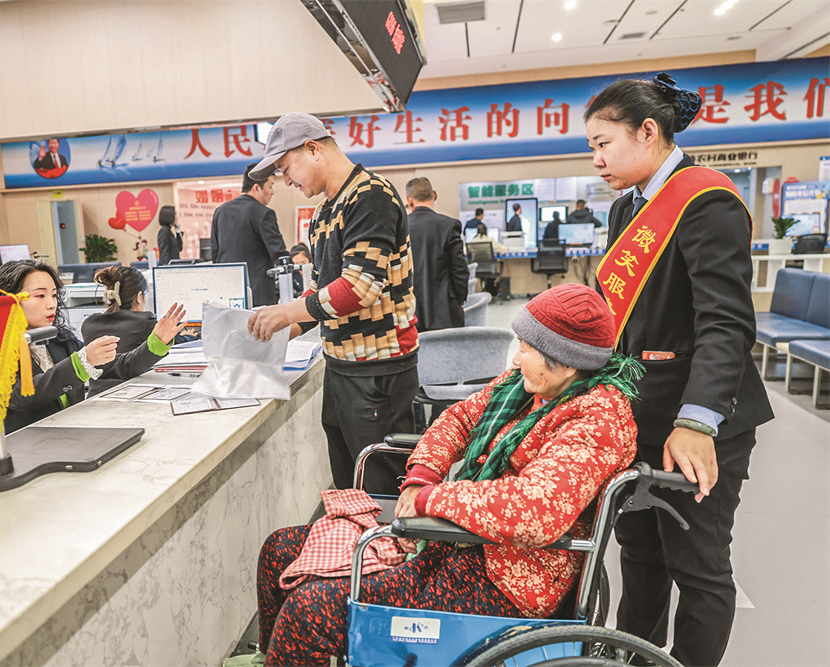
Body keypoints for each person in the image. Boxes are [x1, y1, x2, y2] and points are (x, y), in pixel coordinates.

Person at [230, 284, 641, 666]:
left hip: (502, 582)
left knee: (309, 612)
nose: (516, 358)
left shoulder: (597, 421)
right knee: (279, 550)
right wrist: (421, 478)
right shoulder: (527, 386)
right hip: (458, 541)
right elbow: (459, 418)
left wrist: (431, 500)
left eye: (527, 348)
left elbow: (535, 510)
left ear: (566, 362)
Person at [586, 72, 773, 667]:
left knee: (698, 566)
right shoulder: (626, 207)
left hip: (697, 420)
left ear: (648, 131)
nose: (596, 159)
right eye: (591, 147)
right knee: (639, 555)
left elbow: (726, 324)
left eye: (603, 143)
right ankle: (635, 657)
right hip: (638, 413)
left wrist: (696, 422)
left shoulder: (706, 200)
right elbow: (626, 319)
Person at [245, 112, 419, 494]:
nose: (287, 181)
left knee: (379, 489)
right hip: (341, 367)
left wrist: (286, 312)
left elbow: (359, 288)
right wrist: (279, 330)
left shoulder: (371, 195)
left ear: (313, 149)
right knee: (348, 486)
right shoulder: (324, 211)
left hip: (377, 370)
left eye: (286, 169)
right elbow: (320, 291)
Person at [0, 260, 186, 432]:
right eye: (40, 296)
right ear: (9, 300)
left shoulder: (59, 340)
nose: (51, 304)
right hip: (30, 445)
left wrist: (157, 342)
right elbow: (23, 397)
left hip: (73, 433)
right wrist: (80, 363)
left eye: (54, 295)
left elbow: (123, 366)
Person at [82, 265, 182, 394]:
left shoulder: (88, 324)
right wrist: (190, 335)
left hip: (94, 398)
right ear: (139, 297)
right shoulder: (144, 322)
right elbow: (175, 340)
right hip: (135, 394)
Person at [210, 163, 288, 306]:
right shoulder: (263, 213)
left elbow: (215, 254)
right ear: (256, 188)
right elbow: (279, 254)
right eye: (270, 186)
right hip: (259, 297)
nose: (272, 192)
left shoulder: (220, 211)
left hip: (227, 294)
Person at [405, 177, 469, 331]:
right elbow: (460, 270)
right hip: (445, 313)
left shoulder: (399, 227)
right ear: (434, 195)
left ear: (409, 201)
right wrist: (460, 301)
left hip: (409, 314)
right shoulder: (449, 226)